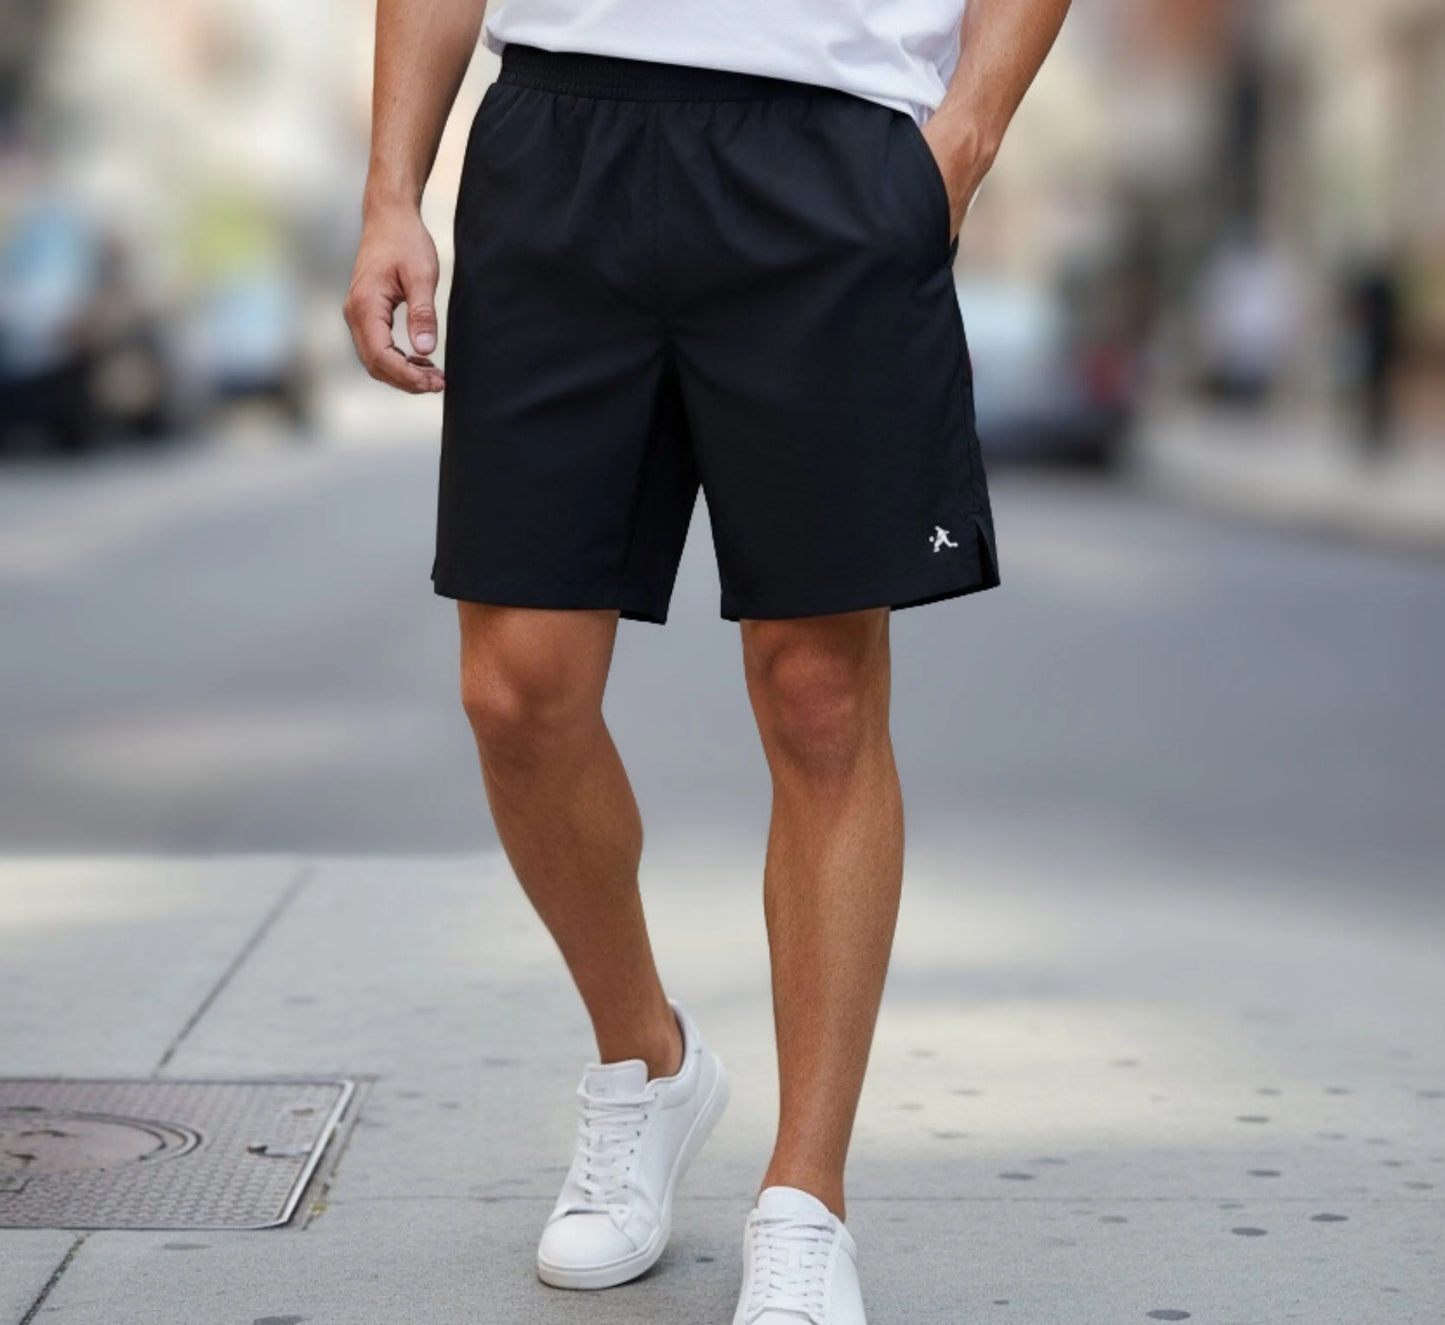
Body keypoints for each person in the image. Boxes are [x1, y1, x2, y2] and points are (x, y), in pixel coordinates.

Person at [345, 0, 1069, 1318]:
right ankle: (647, 1063)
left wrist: (957, 140)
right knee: (515, 690)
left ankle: (804, 1195)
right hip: (559, 142)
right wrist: (393, 189)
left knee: (818, 694)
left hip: (834, 146)